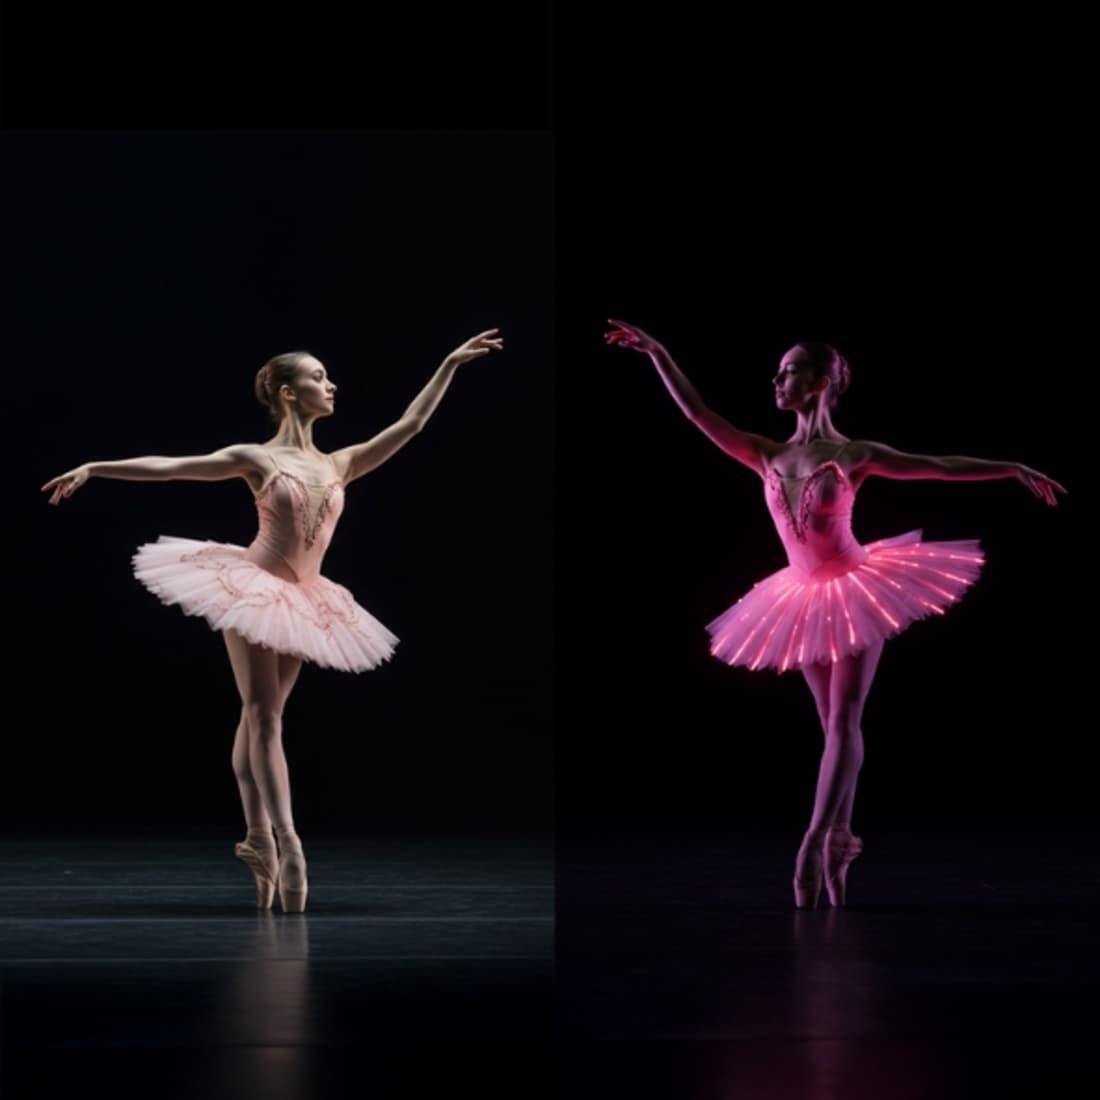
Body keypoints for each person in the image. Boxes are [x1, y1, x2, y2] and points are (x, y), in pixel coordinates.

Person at [605, 319, 1065, 910]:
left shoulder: (855, 454)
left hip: (855, 586)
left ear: (820, 382)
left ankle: (815, 839)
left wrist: (1010, 467)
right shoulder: (765, 452)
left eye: (790, 369)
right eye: (778, 370)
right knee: (830, 725)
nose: (777, 379)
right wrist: (658, 352)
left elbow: (940, 465)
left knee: (845, 718)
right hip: (799, 595)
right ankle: (842, 840)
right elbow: (698, 415)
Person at [42, 329, 504, 913]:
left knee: (264, 716)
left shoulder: (341, 462)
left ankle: (256, 837)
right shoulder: (255, 458)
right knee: (263, 716)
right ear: (287, 393)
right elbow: (172, 468)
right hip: (252, 587)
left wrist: (449, 364)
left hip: (307, 599)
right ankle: (289, 842)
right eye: (317, 376)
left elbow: (409, 426)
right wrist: (96, 466)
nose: (330, 384)